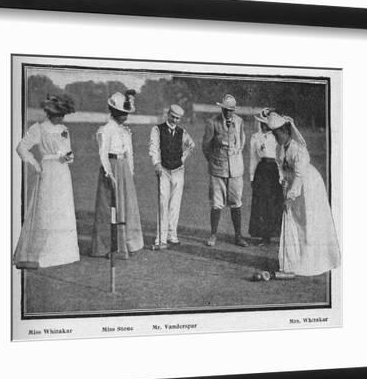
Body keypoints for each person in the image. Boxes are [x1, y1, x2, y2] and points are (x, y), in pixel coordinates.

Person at [267, 112, 341, 276]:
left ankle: (314, 261)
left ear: (286, 131)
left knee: (309, 220)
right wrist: (284, 184)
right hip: (294, 185)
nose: (275, 137)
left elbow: (300, 175)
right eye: (273, 133)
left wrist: (290, 197)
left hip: (309, 186)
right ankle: (295, 260)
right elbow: (282, 168)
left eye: (277, 133)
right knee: (296, 221)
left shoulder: (298, 149)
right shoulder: (280, 148)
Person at [13, 94, 80, 269]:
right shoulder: (39, 128)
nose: (61, 118)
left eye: (63, 115)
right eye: (59, 114)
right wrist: (34, 164)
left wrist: (68, 157)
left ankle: (63, 253)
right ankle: (42, 254)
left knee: (62, 209)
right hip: (48, 171)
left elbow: (68, 152)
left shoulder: (64, 129)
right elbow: (21, 147)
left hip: (62, 173)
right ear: (50, 113)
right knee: (46, 209)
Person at [90, 90, 144, 258]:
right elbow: (103, 154)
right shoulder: (104, 130)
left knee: (126, 206)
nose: (125, 117)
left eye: (126, 114)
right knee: (110, 208)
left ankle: (126, 244)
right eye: (122, 113)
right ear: (114, 112)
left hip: (123, 170)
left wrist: (129, 173)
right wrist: (109, 173)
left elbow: (129, 154)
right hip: (111, 169)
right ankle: (109, 246)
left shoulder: (125, 131)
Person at [202, 94, 248, 247]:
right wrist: (215, 161)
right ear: (222, 108)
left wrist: (235, 156)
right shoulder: (212, 122)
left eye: (232, 110)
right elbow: (206, 146)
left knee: (236, 203)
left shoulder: (240, 121)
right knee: (217, 204)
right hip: (218, 169)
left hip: (235, 169)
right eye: (227, 109)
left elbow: (242, 143)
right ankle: (213, 235)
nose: (229, 113)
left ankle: (238, 236)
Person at [149, 104, 195, 247]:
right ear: (168, 114)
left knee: (175, 204)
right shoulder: (157, 129)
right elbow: (153, 147)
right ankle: (160, 238)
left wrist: (183, 158)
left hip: (178, 171)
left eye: (178, 118)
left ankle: (172, 235)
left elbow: (191, 145)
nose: (175, 120)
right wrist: (156, 163)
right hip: (163, 170)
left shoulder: (182, 132)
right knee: (163, 203)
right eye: (173, 117)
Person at [248, 108, 284, 245]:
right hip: (261, 171)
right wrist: (252, 177)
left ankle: (276, 234)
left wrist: (281, 176)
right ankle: (264, 236)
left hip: (274, 171)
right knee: (261, 203)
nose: (263, 126)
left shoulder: (277, 137)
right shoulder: (255, 137)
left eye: (265, 123)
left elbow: (281, 157)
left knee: (274, 203)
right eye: (261, 123)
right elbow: (253, 158)